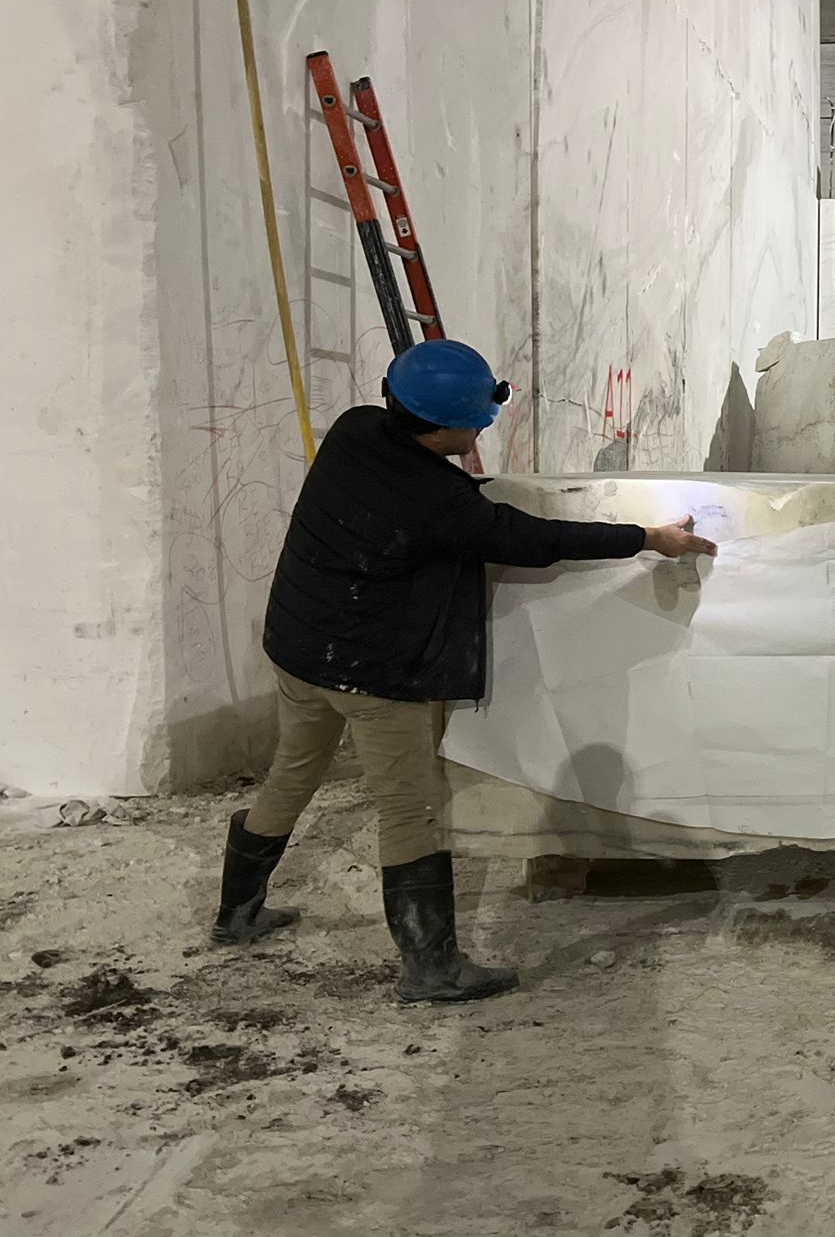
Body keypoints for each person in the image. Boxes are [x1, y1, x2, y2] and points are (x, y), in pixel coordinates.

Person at [212, 340, 716, 1005]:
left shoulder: (355, 428)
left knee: (291, 773)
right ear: (443, 425)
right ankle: (432, 969)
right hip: (370, 675)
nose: (482, 428)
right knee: (412, 812)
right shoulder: (438, 503)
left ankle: (236, 915)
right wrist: (648, 538)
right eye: (475, 420)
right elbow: (536, 541)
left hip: (302, 648)